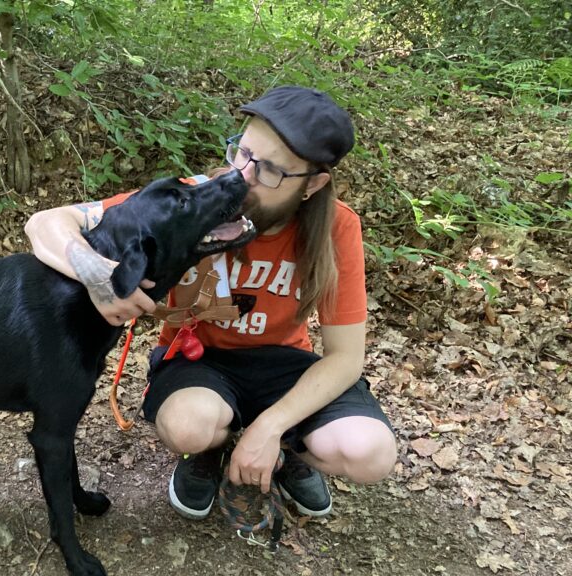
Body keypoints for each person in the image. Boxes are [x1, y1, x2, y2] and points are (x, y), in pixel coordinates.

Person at [24, 85, 396, 522]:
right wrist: (96, 273)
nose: (245, 176)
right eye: (243, 153)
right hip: (197, 358)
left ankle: (284, 448)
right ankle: (213, 450)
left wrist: (270, 428)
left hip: (282, 363)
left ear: (313, 183)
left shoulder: (335, 229)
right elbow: (46, 222)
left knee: (369, 454)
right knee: (189, 426)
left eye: (272, 170)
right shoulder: (191, 202)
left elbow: (346, 358)